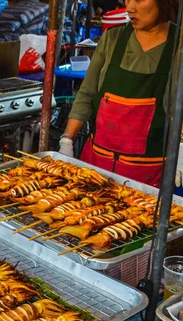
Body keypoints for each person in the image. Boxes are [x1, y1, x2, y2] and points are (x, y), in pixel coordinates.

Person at [59, 0, 179, 187]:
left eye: (139, 0)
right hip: (95, 166)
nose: (130, 8)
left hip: (147, 175)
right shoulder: (112, 39)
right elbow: (86, 94)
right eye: (127, 0)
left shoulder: (178, 46)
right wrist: (67, 140)